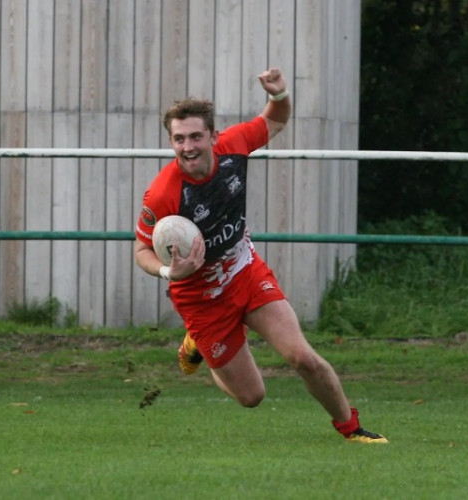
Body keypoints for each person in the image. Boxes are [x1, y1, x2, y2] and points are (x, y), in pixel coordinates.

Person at [134, 68, 387, 444]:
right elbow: (141, 250)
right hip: (199, 297)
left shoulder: (235, 144)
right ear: (171, 142)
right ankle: (198, 343)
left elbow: (276, 119)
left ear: (213, 136)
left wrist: (279, 95)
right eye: (179, 139)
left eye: (196, 136)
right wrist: (170, 271)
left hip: (245, 272)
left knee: (302, 357)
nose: (188, 146)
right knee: (252, 397)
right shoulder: (162, 194)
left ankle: (351, 428)